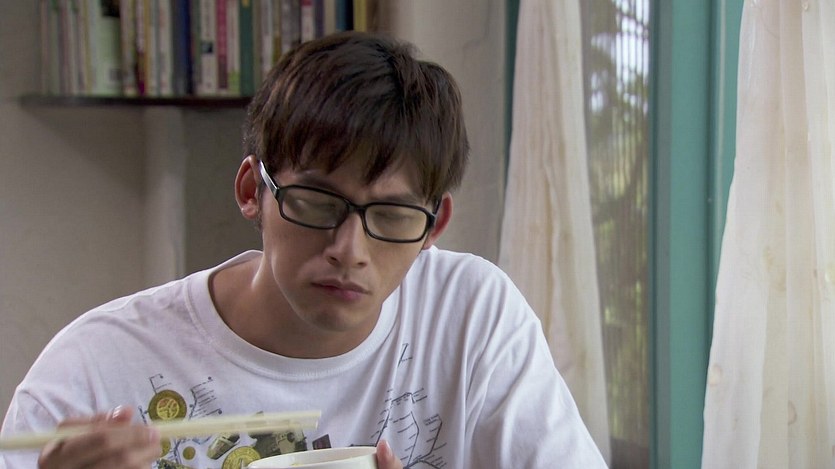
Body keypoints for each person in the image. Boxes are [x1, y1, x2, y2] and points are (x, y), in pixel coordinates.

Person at [0, 31, 607, 468]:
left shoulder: (470, 315)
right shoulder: (98, 368)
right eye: (318, 202)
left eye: (392, 216)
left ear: (433, 226)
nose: (350, 249)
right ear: (252, 192)